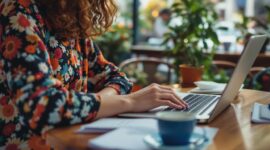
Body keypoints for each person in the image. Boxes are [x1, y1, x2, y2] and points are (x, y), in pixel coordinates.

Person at [0, 0, 187, 149]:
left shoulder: (70, 22)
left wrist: (102, 102)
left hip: (71, 142)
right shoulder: (17, 11)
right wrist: (130, 102)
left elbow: (117, 78)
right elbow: (44, 106)